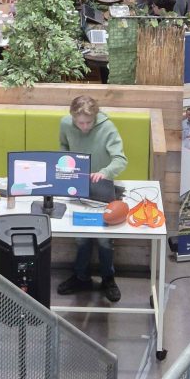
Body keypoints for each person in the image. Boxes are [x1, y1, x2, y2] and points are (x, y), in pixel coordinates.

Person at [57, 95, 127, 301]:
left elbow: (120, 159)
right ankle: (81, 277)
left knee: (104, 240)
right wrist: (64, 163)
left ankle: (108, 278)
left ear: (95, 117)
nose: (85, 127)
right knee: (81, 237)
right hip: (77, 187)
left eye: (88, 122)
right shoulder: (65, 124)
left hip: (102, 188)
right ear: (72, 117)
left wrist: (105, 172)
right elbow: (63, 146)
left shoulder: (107, 127)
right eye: (80, 123)